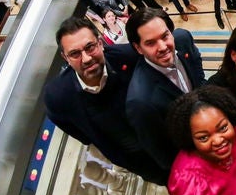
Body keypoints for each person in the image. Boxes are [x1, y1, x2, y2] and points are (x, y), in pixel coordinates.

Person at [43, 17, 159, 181]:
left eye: (90, 47)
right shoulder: (57, 95)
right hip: (137, 160)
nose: (86, 58)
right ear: (65, 58)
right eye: (75, 54)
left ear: (100, 43)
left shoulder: (128, 56)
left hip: (163, 137)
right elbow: (72, 127)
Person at [124, 8, 205, 179]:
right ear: (138, 48)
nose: (163, 47)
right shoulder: (140, 101)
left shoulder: (183, 39)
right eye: (151, 43)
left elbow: (198, 71)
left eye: (165, 36)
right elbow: (164, 155)